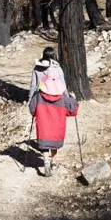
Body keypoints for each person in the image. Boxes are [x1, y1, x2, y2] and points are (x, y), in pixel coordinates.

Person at [28, 47, 79, 177]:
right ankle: (54, 161)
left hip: (41, 100)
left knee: (44, 131)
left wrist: (31, 101)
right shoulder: (57, 68)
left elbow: (33, 86)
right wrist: (68, 99)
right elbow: (62, 85)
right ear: (54, 56)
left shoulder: (37, 68)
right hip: (58, 101)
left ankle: (45, 161)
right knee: (55, 131)